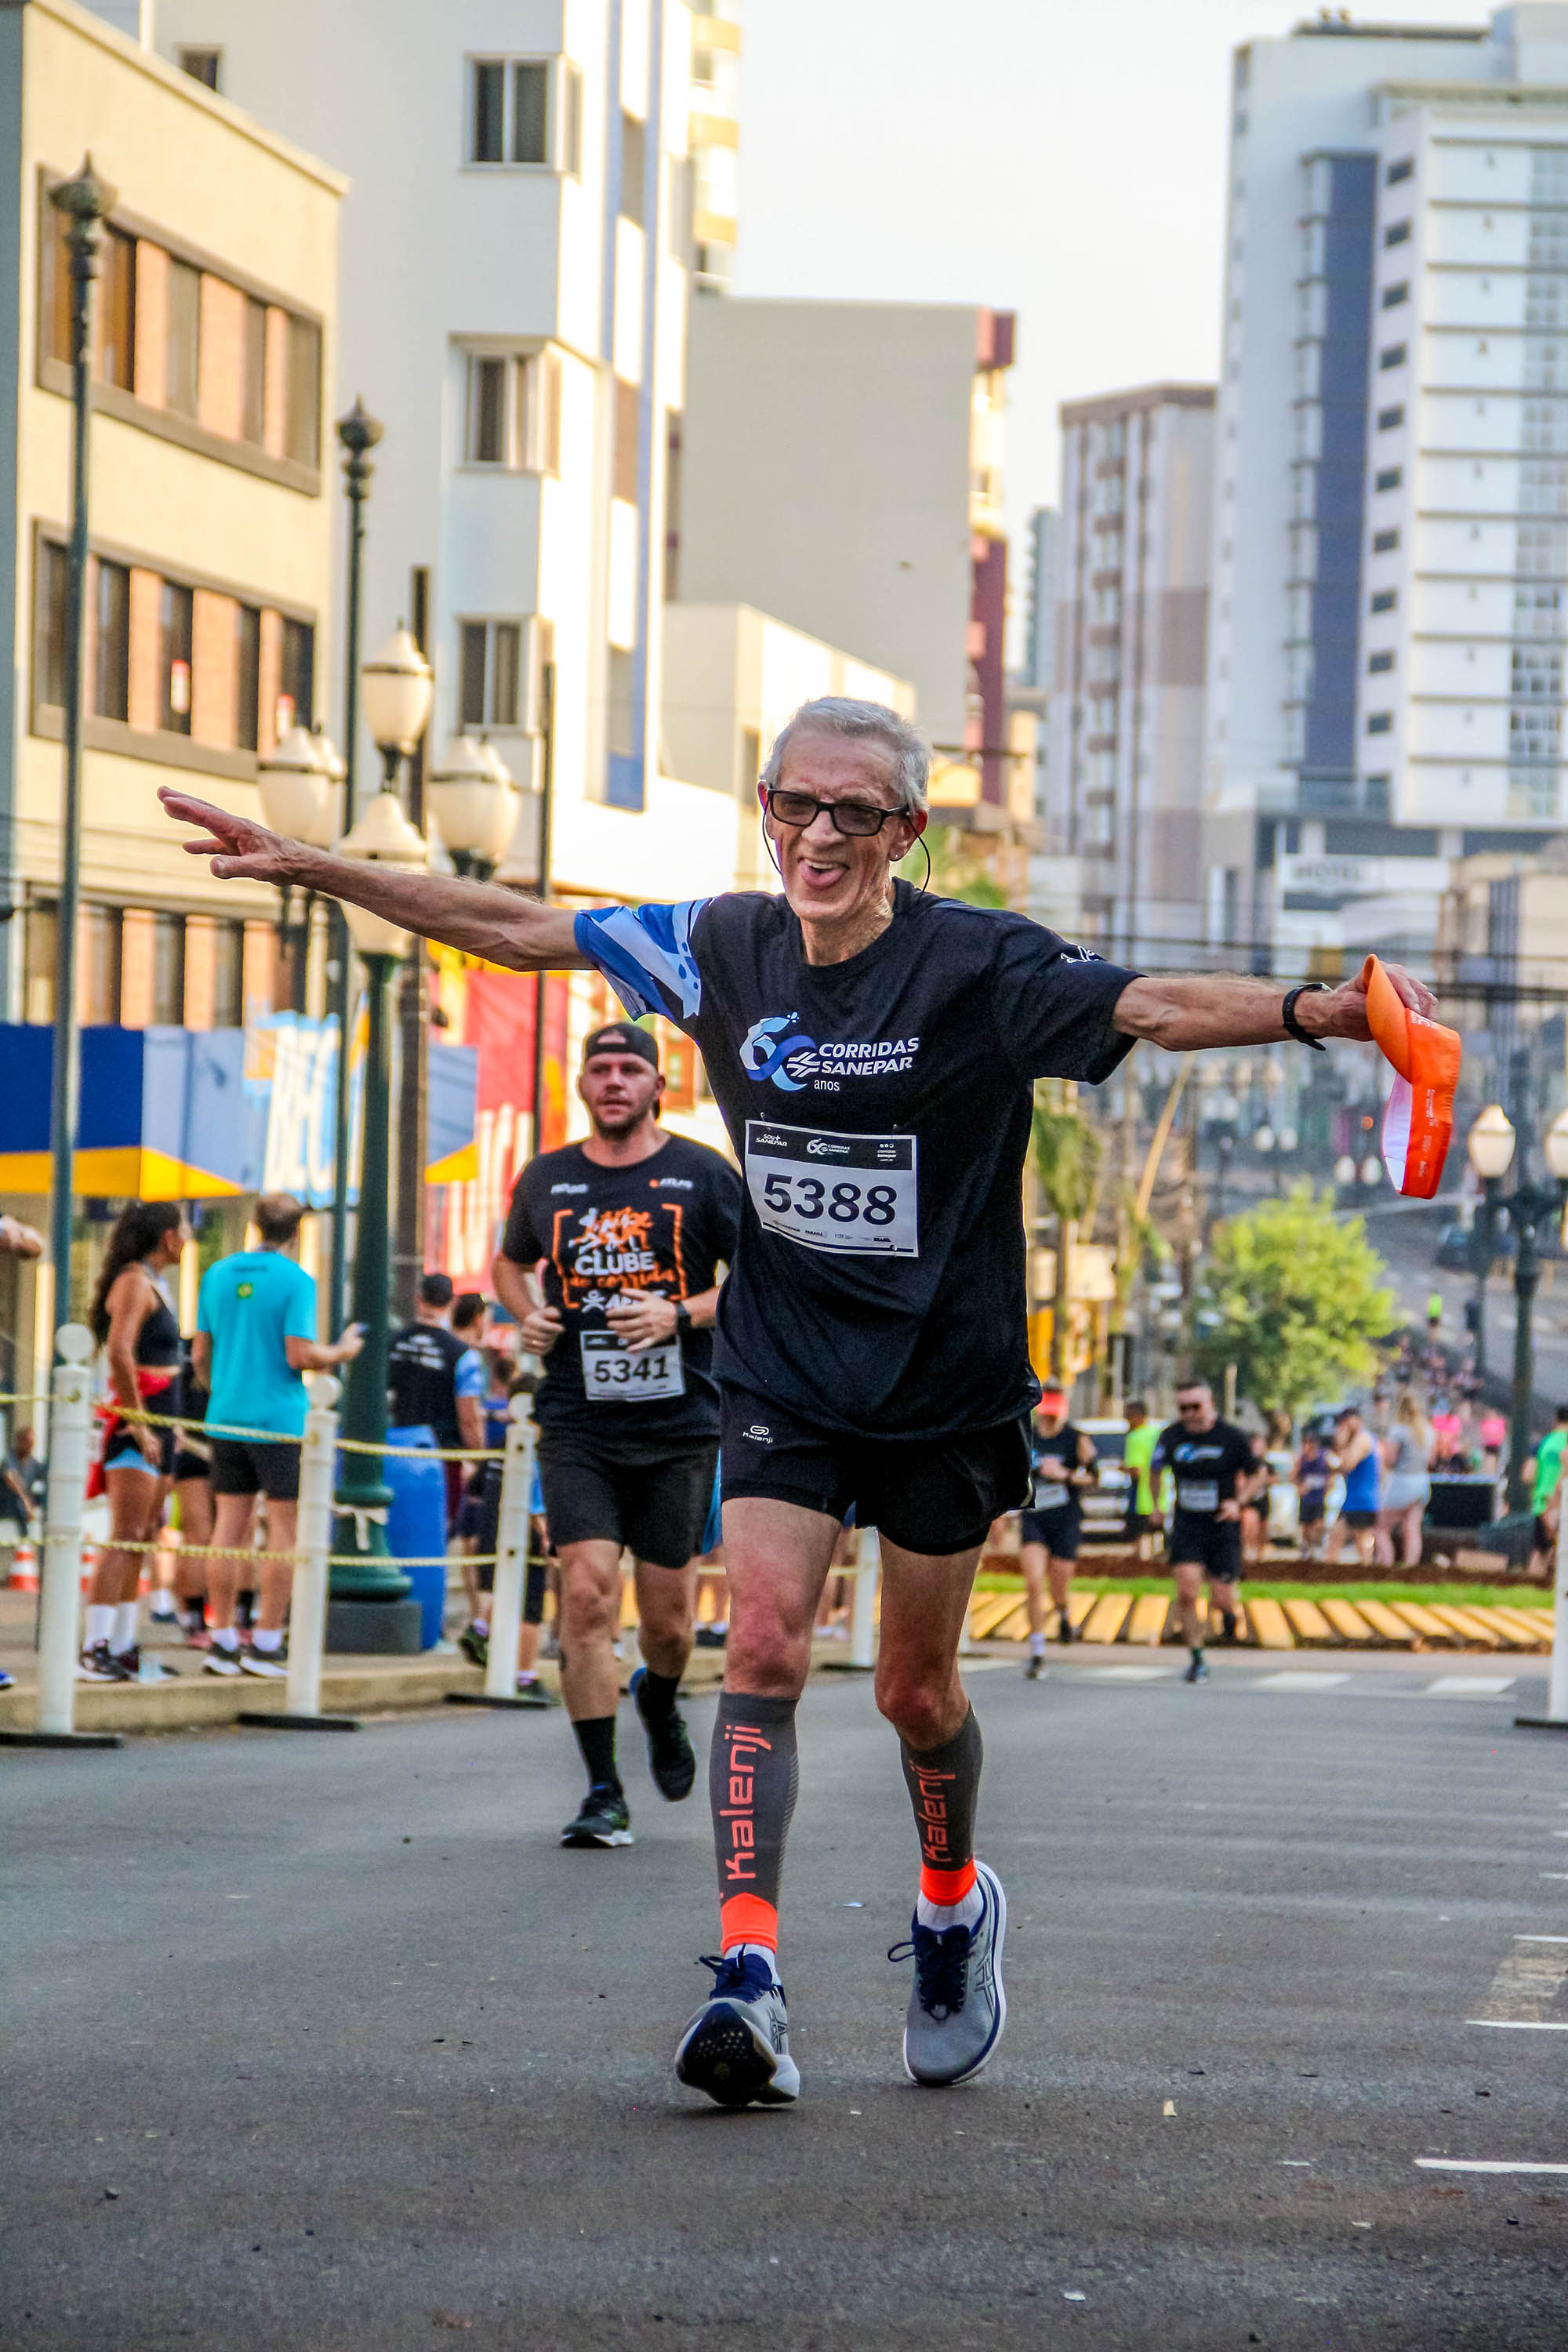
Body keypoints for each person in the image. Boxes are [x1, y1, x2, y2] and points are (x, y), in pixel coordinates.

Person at [162, 693, 1439, 2107]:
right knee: (761, 1642)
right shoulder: (720, 947)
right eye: (794, 805)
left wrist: (1325, 1009)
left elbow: (1147, 1003)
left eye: (853, 814)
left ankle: (951, 1906)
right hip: (782, 1367)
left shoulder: (980, 964)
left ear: (907, 832)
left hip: (945, 1384)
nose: (817, 836)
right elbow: (517, 925)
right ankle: (749, 1977)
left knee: (912, 1688)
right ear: (765, 809)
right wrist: (315, 865)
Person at [492, 1020, 742, 1847]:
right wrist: (528, 1315)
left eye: (628, 1070)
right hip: (577, 1421)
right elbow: (509, 1262)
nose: (612, 1082)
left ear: (655, 1085)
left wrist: (680, 1311)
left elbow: (756, 1283)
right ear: (582, 1085)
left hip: (678, 1425)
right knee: (588, 1593)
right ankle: (602, 1789)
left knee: (667, 1622)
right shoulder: (547, 1178)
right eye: (598, 1069)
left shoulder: (702, 1175)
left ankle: (661, 1701)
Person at [193, 1193, 362, 1678]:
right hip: (279, 1421)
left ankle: (222, 1638)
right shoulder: (297, 1281)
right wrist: (343, 1351)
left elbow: (201, 1353)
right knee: (283, 1530)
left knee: (229, 1528)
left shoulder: (217, 1274)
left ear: (254, 1223)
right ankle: (266, 1640)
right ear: (295, 1232)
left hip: (225, 1415)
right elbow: (300, 1356)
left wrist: (220, 1387)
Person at [79, 1201, 188, 1683]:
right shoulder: (133, 1282)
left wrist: (171, 1427)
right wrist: (138, 1423)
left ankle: (122, 1645)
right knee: (124, 1534)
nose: (188, 1238)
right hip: (136, 1422)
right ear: (167, 1236)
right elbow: (120, 1351)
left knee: (144, 1535)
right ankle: (94, 1646)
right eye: (183, 1229)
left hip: (164, 1421)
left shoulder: (155, 1284)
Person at [1150, 1379, 1265, 1683]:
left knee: (1221, 1597)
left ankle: (1228, 1614)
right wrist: (1156, 1504)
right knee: (1187, 1593)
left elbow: (1258, 1473)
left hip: (1222, 1526)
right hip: (1188, 1525)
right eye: (1183, 1408)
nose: (1189, 1413)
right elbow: (1155, 1469)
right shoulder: (1170, 1437)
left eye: (1195, 1407)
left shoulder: (1231, 1437)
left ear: (1210, 1403)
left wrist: (1238, 1503)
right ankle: (1197, 1659)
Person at [387, 1274, 481, 1531]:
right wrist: (480, 1457)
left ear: (419, 1300)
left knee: (399, 1527)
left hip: (396, 1450)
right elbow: (469, 1417)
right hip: (442, 1457)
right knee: (437, 1531)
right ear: (453, 1302)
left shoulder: (393, 1343)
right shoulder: (463, 1355)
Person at [1017, 1390, 1097, 1675]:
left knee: (1058, 1585)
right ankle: (1037, 1651)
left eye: (1053, 1413)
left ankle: (1063, 1614)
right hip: (1034, 1518)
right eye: (1044, 1412)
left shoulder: (1077, 1438)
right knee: (1034, 1582)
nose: (1048, 1419)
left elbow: (1094, 1477)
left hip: (1065, 1519)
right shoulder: (1027, 1434)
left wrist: (1064, 1474)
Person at [1376, 1392, 1432, 1569]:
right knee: (1412, 1528)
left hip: (1402, 1483)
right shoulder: (1428, 1431)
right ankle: (1410, 1568)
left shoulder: (1398, 1431)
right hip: (1422, 1483)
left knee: (1380, 1527)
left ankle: (1386, 1565)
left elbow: (1390, 1460)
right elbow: (1431, 1460)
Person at [1327, 1406, 1380, 1567]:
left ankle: (1364, 1575)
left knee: (1359, 1542)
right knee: (1351, 1540)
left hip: (1361, 1501)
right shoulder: (1360, 1439)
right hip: (1355, 1499)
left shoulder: (1362, 1439)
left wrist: (1341, 1444)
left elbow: (1348, 1464)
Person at [1529, 1403, 1568, 1578]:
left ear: (1555, 1420)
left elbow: (1528, 1475)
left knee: (1540, 1552)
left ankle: (1531, 1588)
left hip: (1542, 1503)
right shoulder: (1565, 1445)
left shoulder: (1542, 1443)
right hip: (1562, 1504)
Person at [1121, 1398, 1160, 1563]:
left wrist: (1121, 1469)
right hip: (1160, 1490)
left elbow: (1135, 1470)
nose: (1126, 1420)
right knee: (1156, 1528)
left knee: (1137, 1527)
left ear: (1137, 1416)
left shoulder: (1135, 1437)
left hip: (1140, 1490)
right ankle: (1156, 1557)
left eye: (1128, 1416)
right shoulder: (1156, 1433)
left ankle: (1139, 1561)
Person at [1294, 1426, 1333, 1563]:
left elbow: (1330, 1474)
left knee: (1318, 1525)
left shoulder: (1324, 1457)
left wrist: (1328, 1487)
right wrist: (1299, 1487)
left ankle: (1316, 1549)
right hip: (1306, 1498)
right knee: (1305, 1527)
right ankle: (1306, 1550)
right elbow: (1294, 1476)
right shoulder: (1302, 1458)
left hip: (1318, 1499)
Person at [1240, 1431, 1271, 1571]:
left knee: (1259, 1531)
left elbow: (1264, 1474)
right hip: (1248, 1504)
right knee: (1248, 1526)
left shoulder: (1262, 1463)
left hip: (1260, 1501)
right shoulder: (1242, 1461)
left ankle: (1256, 1560)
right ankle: (1247, 1558)